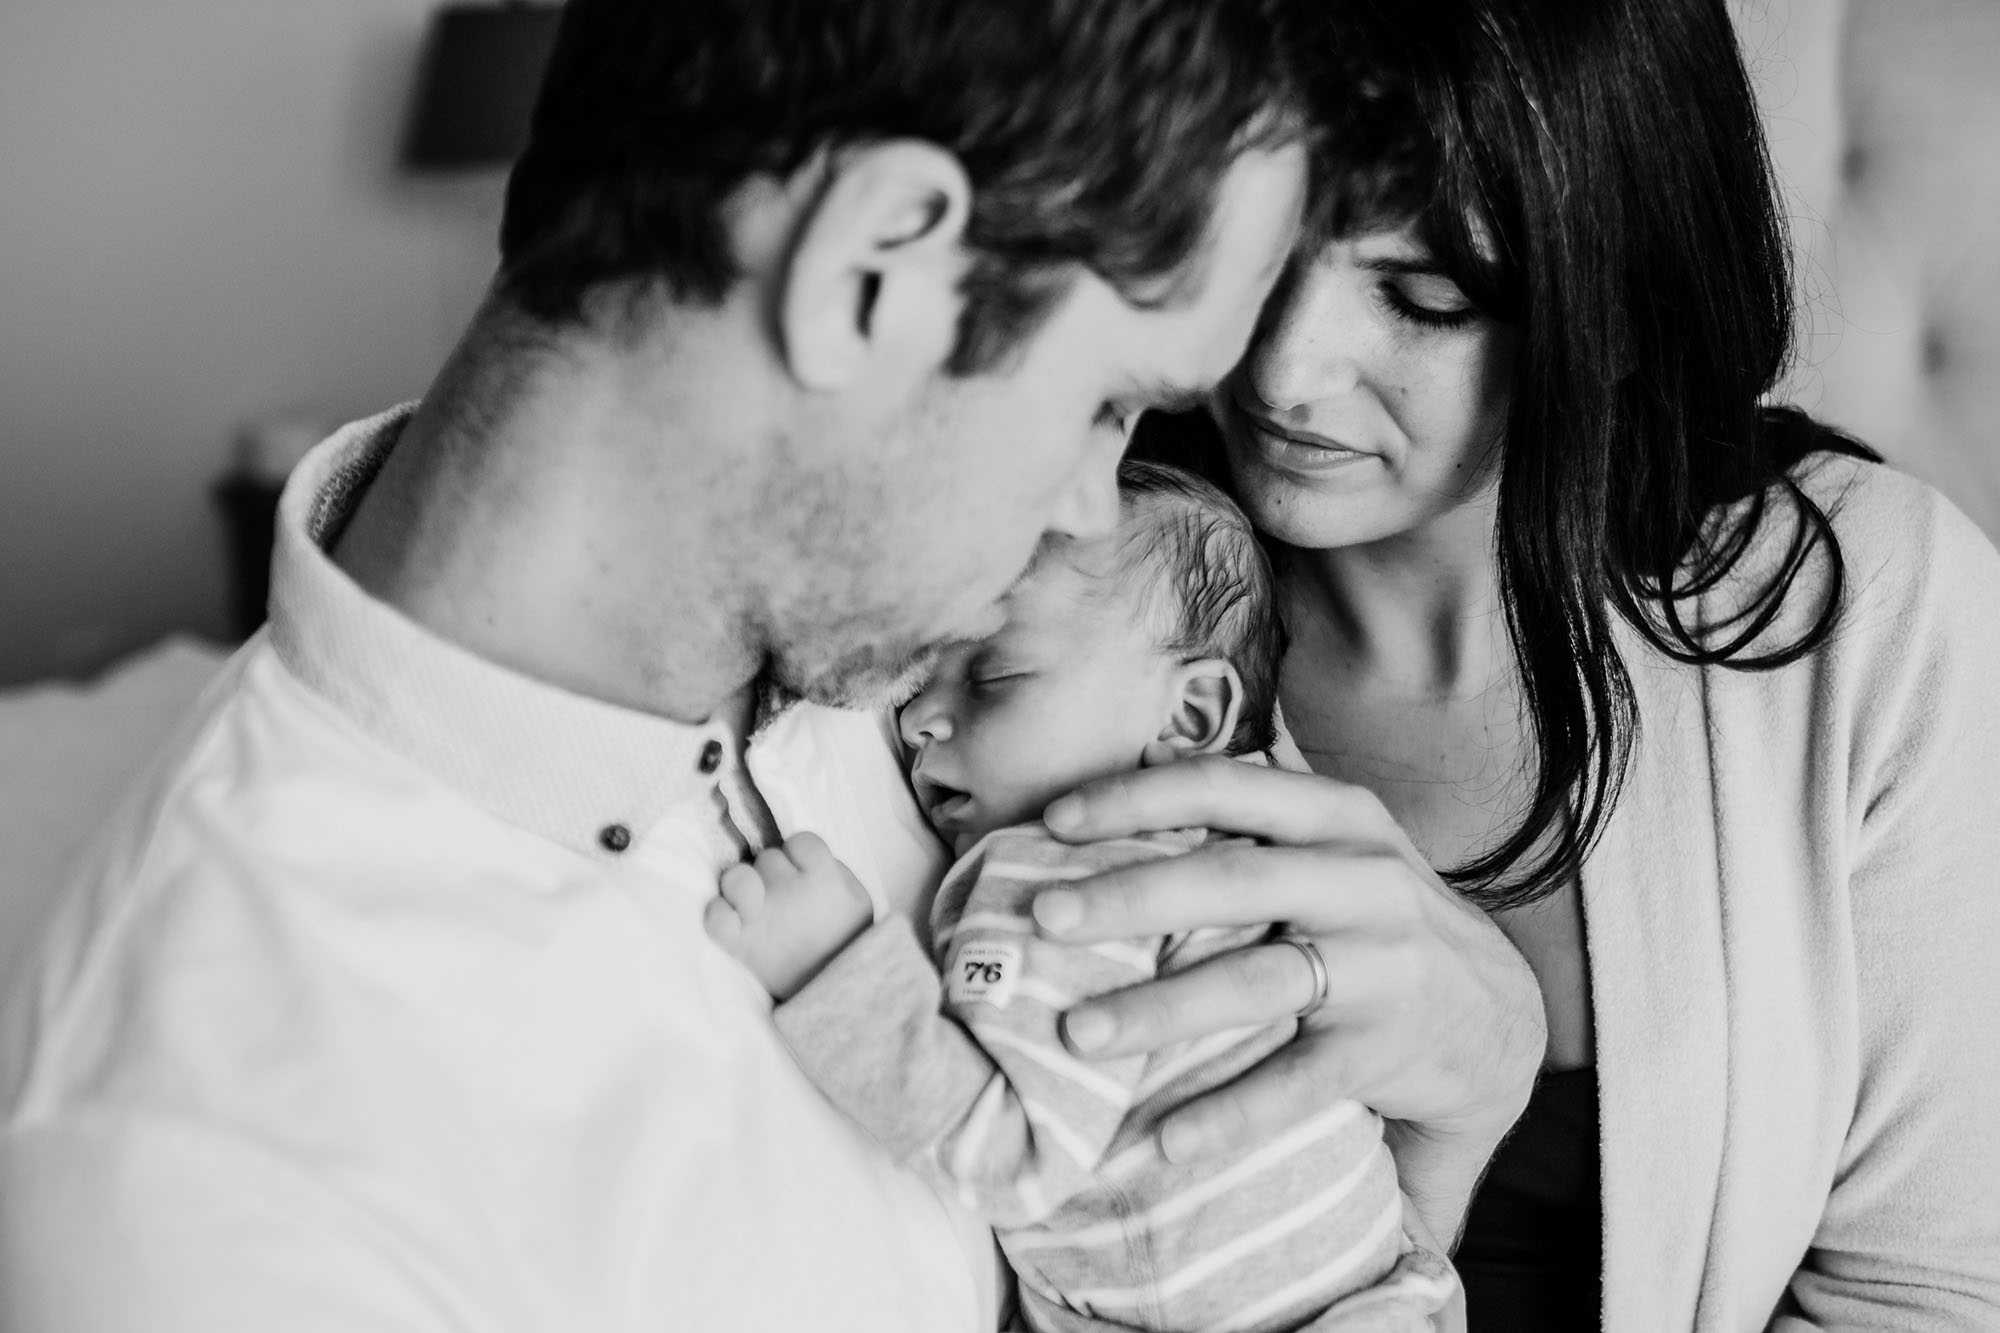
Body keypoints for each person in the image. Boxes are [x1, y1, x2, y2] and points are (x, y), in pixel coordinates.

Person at [0, 3, 1365, 1330]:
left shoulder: (902, 637)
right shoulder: (220, 1195)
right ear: (867, 271)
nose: (1086, 508)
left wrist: (1459, 1105)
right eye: (1107, 404)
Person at [1031, 0, 1997, 1326]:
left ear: (1618, 283)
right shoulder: (1063, 589)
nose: (1286, 370)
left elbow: (1931, 1294)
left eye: (1425, 296)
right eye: (1260, 251)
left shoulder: (1873, 617)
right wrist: (1443, 1156)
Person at [704, 461, 1456, 1332]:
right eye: (919, 682)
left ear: (1189, 717)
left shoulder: (1061, 874)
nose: (915, 721)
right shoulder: (1274, 855)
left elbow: (1014, 1157)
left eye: (992, 677)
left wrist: (835, 968)